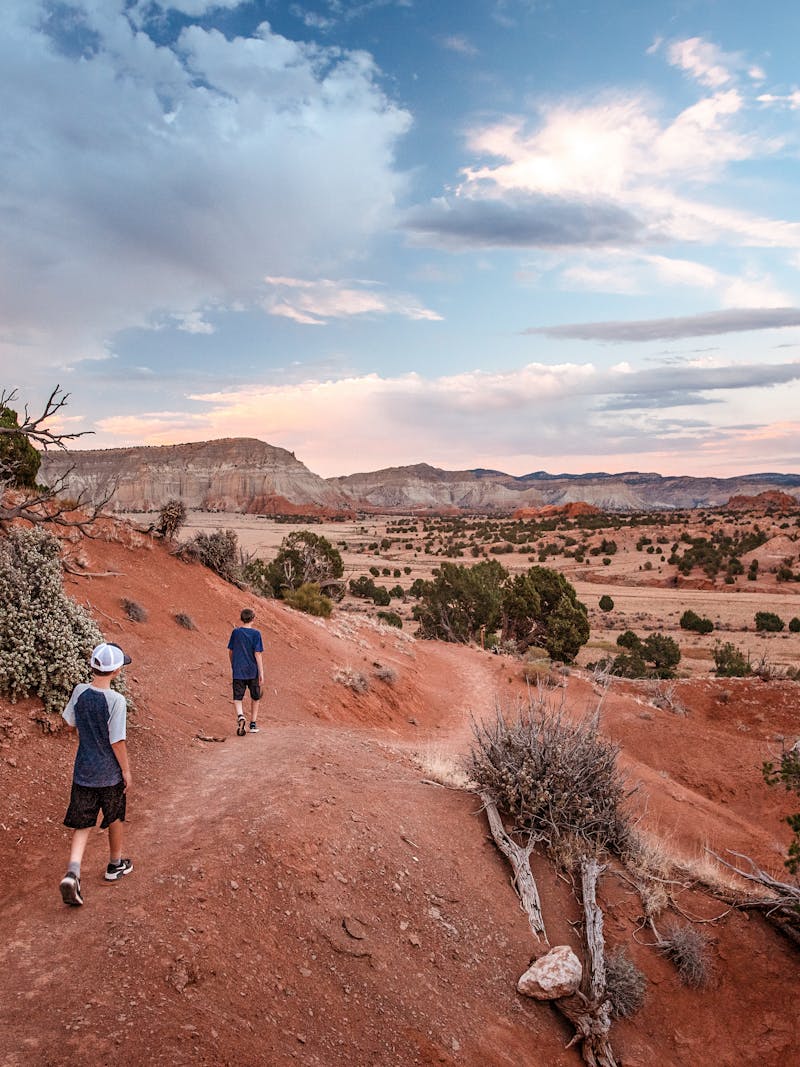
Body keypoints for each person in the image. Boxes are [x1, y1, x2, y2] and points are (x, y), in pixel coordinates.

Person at [59, 642, 133, 907]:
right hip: (110, 774)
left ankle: (73, 872)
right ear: (116, 672)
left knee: (83, 824)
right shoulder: (116, 700)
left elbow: (69, 723)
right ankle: (115, 864)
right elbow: (117, 741)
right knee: (115, 816)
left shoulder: (79, 692)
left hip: (83, 771)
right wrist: (125, 770)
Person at [228, 608, 264, 735]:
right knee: (255, 697)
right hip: (252, 670)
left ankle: (240, 716)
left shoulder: (236, 632)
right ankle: (253, 724)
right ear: (253, 619)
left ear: (241, 618)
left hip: (238, 670)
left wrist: (233, 664)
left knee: (238, 697)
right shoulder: (256, 634)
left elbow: (231, 651)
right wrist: (261, 672)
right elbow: (257, 653)